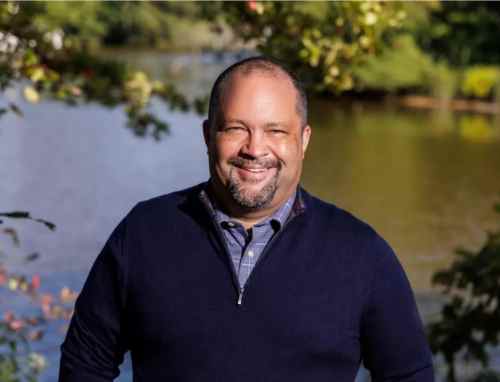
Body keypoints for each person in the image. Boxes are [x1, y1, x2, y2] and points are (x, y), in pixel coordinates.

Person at [59, 56, 434, 381]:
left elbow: (407, 375)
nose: (255, 149)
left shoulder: (361, 254)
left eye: (276, 131)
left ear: (303, 141)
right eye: (236, 128)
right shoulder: (144, 233)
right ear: (208, 135)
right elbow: (85, 362)